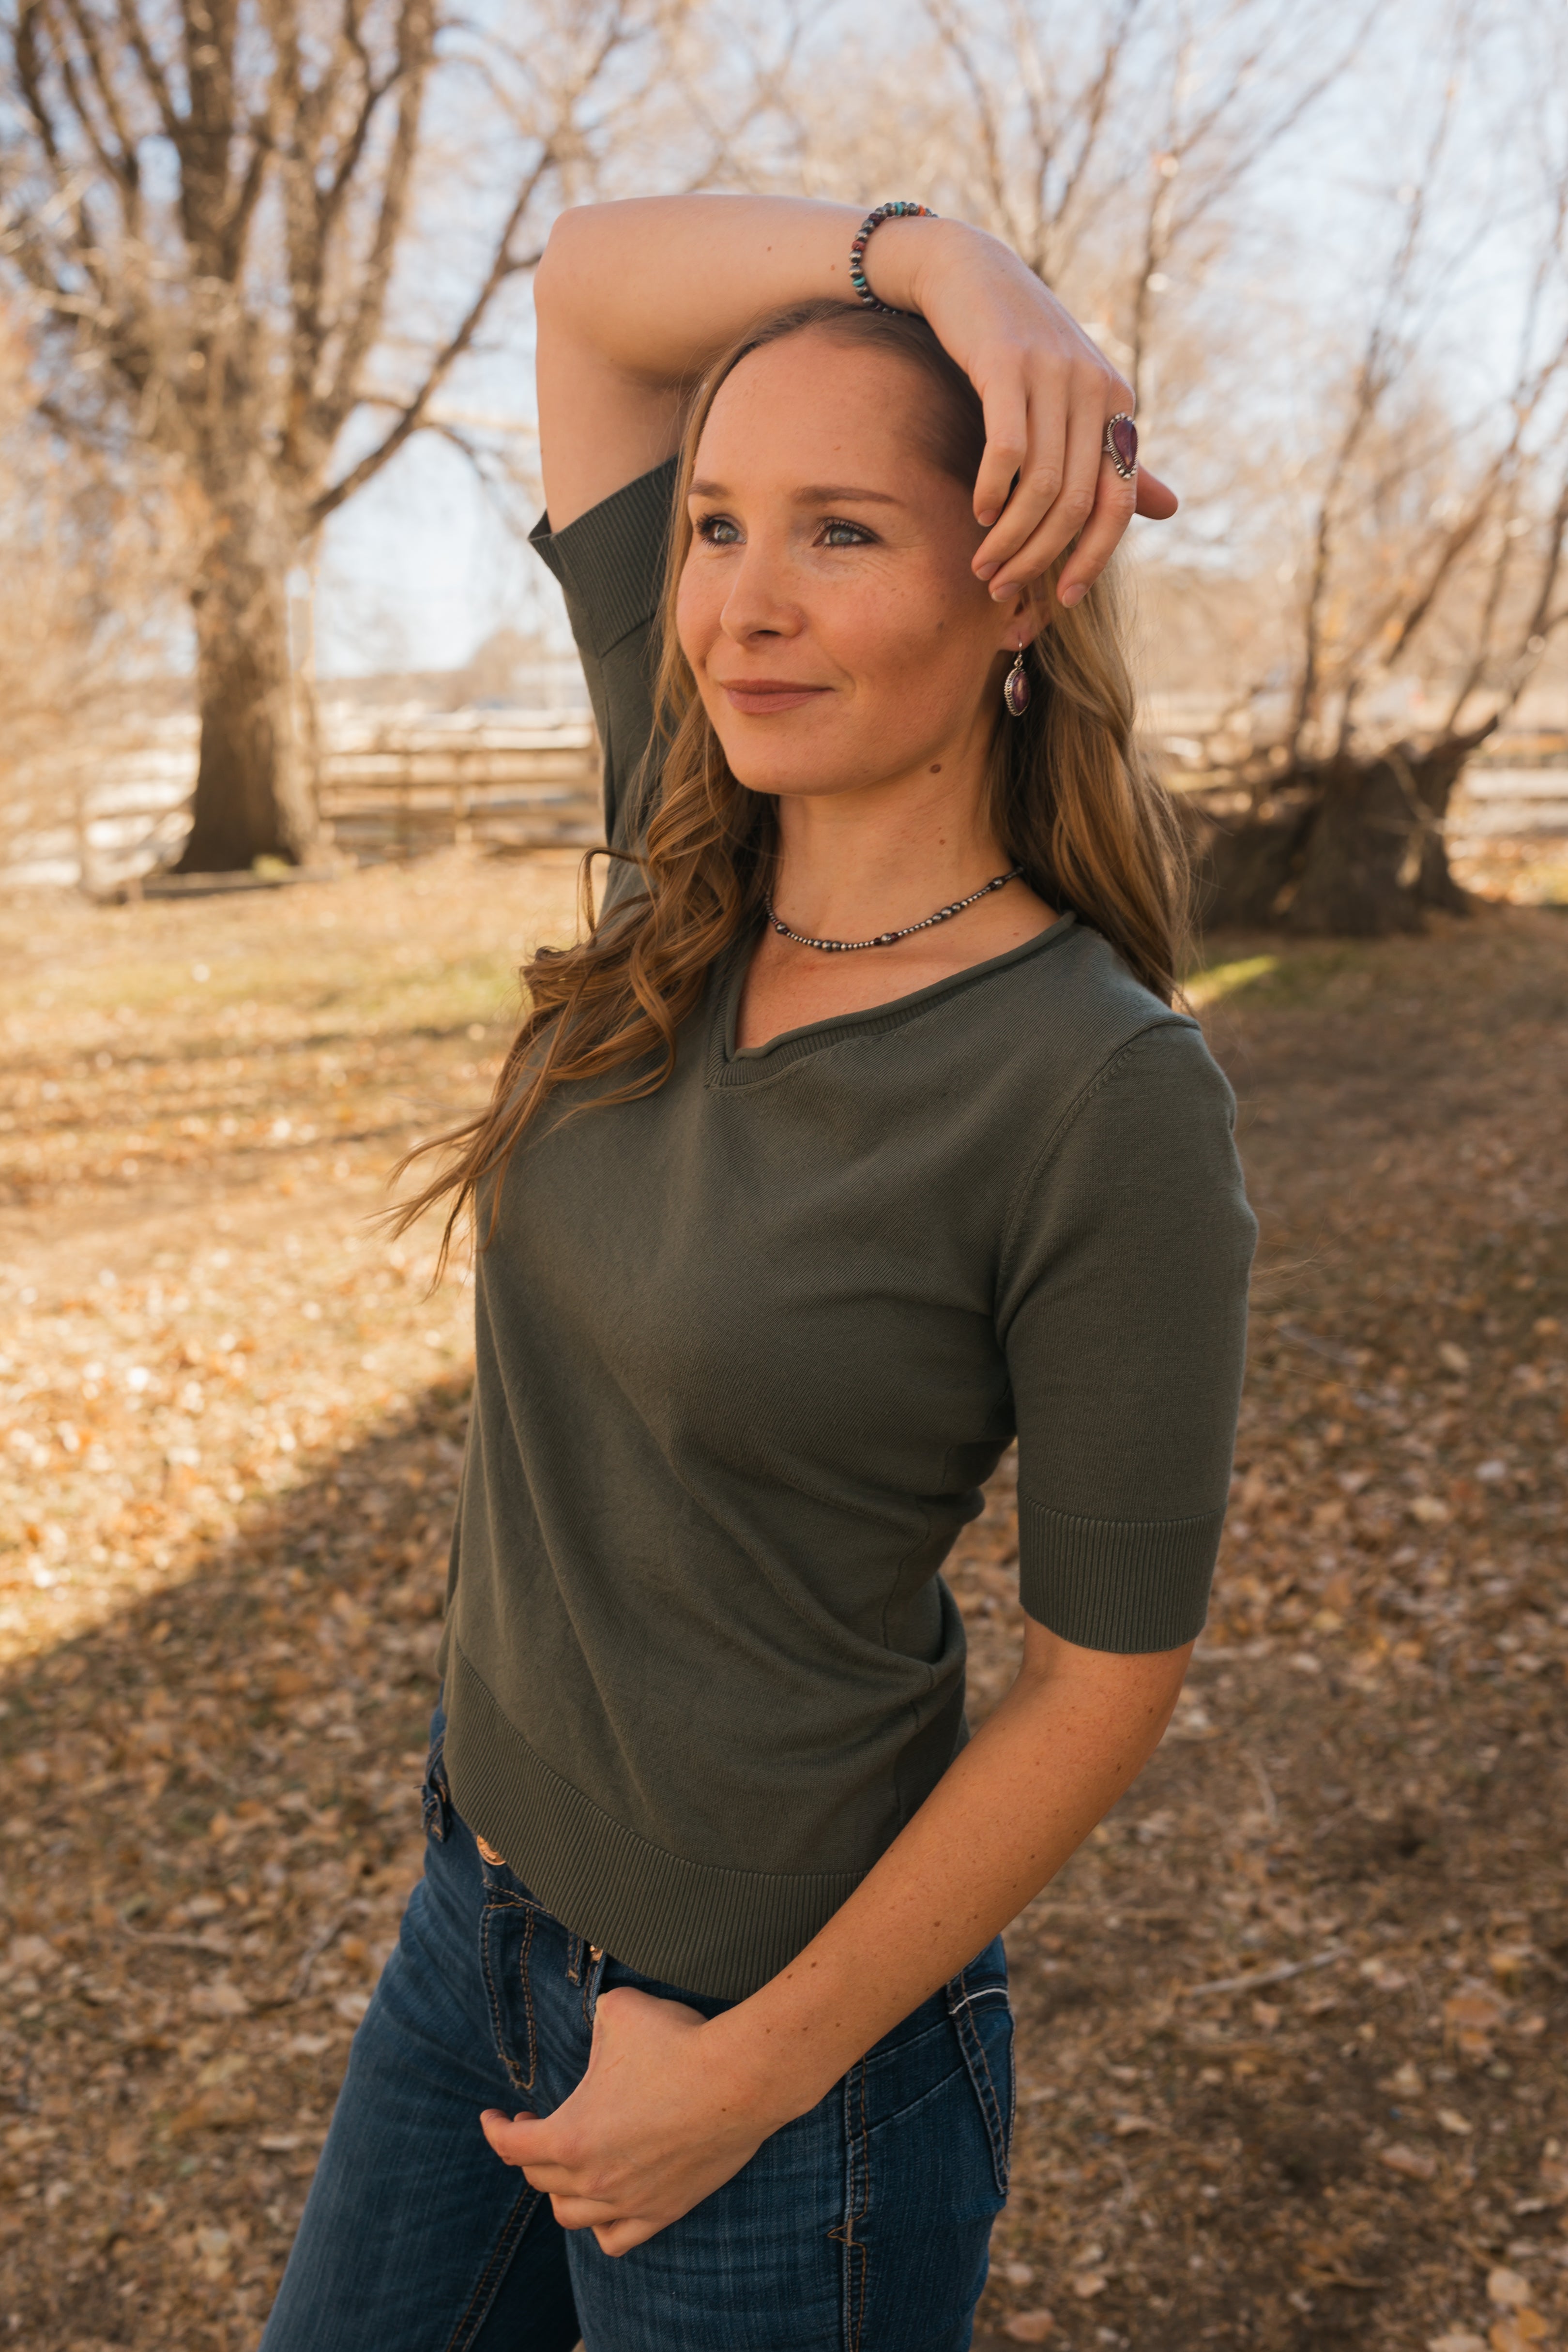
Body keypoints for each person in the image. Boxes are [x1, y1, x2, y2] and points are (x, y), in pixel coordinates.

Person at [260, 195, 1255, 2352]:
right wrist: (948, 265)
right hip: (477, 1934)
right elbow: (592, 295)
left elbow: (1104, 1680)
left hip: (780, 2074)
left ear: (1016, 586)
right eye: (713, 526)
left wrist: (756, 2067)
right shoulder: (685, 834)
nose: (742, 608)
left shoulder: (1102, 1087)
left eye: (840, 534)